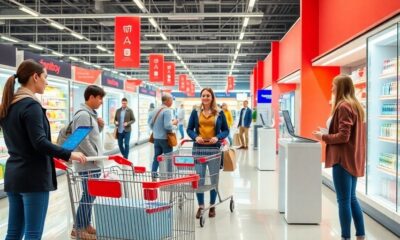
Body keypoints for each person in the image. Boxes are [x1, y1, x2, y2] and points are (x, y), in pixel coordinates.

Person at [0, 59, 86, 240]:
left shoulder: (9, 105)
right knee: (33, 233)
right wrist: (69, 154)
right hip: (33, 177)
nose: (47, 82)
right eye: (45, 77)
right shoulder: (31, 106)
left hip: (14, 175)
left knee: (13, 232)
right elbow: (39, 142)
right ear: (35, 77)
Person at [312, 75, 366, 240]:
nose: (332, 88)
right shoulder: (356, 106)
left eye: (334, 86)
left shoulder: (343, 106)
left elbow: (343, 136)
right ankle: (360, 235)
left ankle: (345, 236)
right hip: (353, 158)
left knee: (343, 200)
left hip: (342, 159)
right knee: (351, 198)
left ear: (341, 87)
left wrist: (323, 137)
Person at [187, 88, 229, 219]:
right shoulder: (195, 112)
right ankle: (200, 206)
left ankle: (212, 205)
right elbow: (189, 129)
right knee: (199, 179)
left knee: (214, 178)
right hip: (199, 149)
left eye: (208, 95)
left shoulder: (219, 113)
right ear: (201, 97)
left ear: (212, 97)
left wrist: (218, 137)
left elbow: (226, 130)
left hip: (214, 150)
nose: (205, 97)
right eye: (203, 95)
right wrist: (195, 137)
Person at [70, 85, 106, 240]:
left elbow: (92, 137)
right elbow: (82, 140)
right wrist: (95, 157)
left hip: (92, 163)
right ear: (91, 97)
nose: (101, 102)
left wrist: (101, 127)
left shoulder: (90, 115)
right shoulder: (84, 115)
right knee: (88, 195)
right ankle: (78, 228)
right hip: (88, 163)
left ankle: (86, 223)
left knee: (90, 195)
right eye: (99, 98)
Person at [148, 93, 178, 174]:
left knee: (156, 157)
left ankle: (153, 174)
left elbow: (150, 124)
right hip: (165, 139)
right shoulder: (167, 110)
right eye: (171, 100)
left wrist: (156, 131)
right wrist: (175, 125)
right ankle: (169, 176)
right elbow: (167, 126)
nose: (172, 101)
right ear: (168, 100)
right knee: (168, 159)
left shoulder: (154, 110)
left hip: (156, 138)